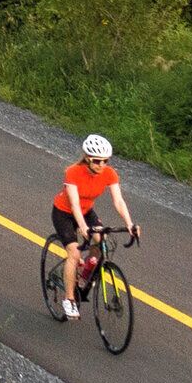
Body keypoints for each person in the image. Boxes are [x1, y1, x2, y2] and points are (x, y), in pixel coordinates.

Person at [49, 134, 138, 320]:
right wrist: (82, 227)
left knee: (102, 241)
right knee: (74, 253)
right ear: (88, 158)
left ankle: (84, 275)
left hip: (87, 211)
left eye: (106, 161)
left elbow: (119, 201)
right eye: (97, 161)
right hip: (64, 213)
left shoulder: (109, 173)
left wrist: (129, 224)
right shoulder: (73, 172)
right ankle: (70, 300)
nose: (102, 165)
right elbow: (73, 204)